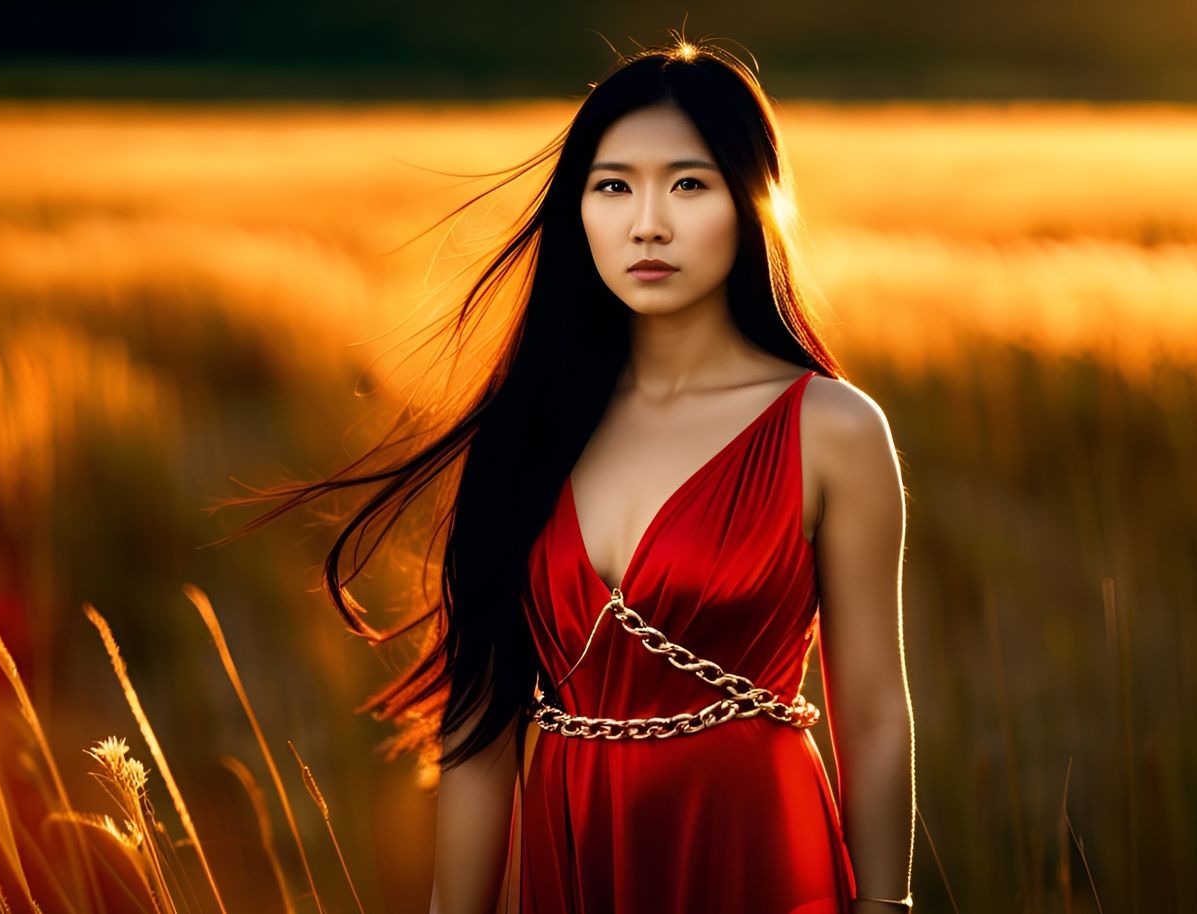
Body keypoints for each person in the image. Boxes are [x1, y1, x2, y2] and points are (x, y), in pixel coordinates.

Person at [217, 31, 915, 914]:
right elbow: (479, 728)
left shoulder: (832, 428)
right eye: (613, 186)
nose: (647, 222)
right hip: (577, 850)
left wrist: (886, 908)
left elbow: (875, 712)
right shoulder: (525, 432)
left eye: (688, 184)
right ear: (578, 211)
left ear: (751, 202)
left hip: (760, 847)